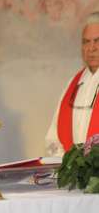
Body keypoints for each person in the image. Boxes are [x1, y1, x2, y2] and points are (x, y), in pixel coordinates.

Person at [45, 12, 99, 156]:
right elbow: (53, 137)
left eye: (97, 40)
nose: (91, 48)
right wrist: (66, 164)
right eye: (86, 42)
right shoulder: (73, 84)